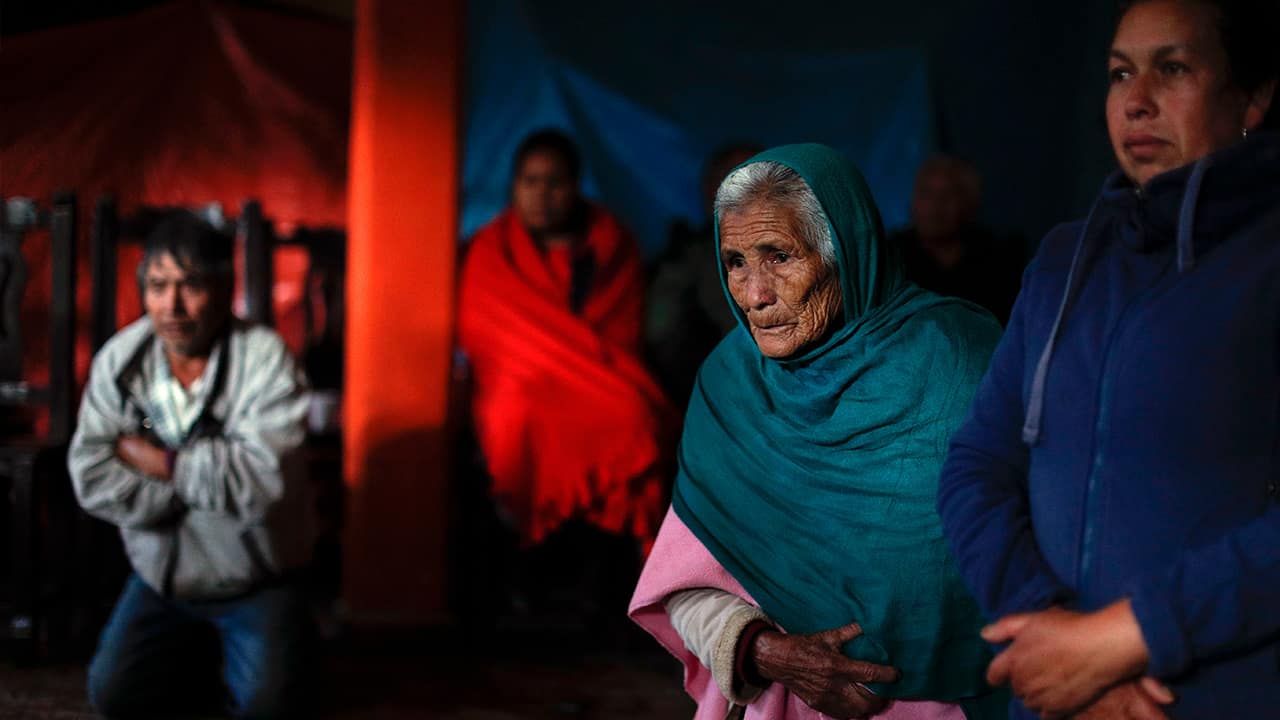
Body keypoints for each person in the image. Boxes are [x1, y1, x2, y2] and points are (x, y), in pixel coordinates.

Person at [936, 1, 1279, 717]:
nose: (1137, 101)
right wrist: (1053, 639)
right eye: (1120, 73)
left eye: (1173, 68)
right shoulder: (1065, 260)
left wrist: (1126, 639)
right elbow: (977, 465)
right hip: (1055, 692)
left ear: (1253, 95)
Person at [630, 144, 1008, 719]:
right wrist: (763, 651)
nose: (755, 295)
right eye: (734, 262)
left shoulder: (962, 365)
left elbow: (1038, 556)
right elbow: (683, 583)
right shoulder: (730, 387)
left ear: (846, 250)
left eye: (778, 256)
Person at [68, 211, 314, 718]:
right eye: (157, 287)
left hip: (253, 579)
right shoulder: (121, 362)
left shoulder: (266, 360)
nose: (171, 306)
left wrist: (162, 462)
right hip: (162, 580)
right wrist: (195, 488)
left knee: (269, 707)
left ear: (225, 290)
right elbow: (90, 476)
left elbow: (262, 483)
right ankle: (200, 655)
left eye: (190, 286)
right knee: (112, 695)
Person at [457, 129, 674, 555]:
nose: (542, 194)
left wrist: (573, 362)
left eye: (554, 182)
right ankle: (527, 535)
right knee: (514, 419)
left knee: (634, 416)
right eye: (530, 182)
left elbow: (621, 327)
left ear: (575, 186)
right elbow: (482, 331)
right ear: (514, 186)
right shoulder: (491, 249)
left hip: (598, 373)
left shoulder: (609, 243)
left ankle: (617, 557)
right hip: (518, 377)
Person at [646, 143, 762, 406]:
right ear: (711, 192)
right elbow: (662, 335)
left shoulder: (804, 249)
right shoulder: (687, 261)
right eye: (739, 181)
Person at [889, 156, 1024, 325]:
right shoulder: (891, 258)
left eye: (947, 194)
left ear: (969, 203)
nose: (935, 206)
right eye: (926, 193)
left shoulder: (999, 259)